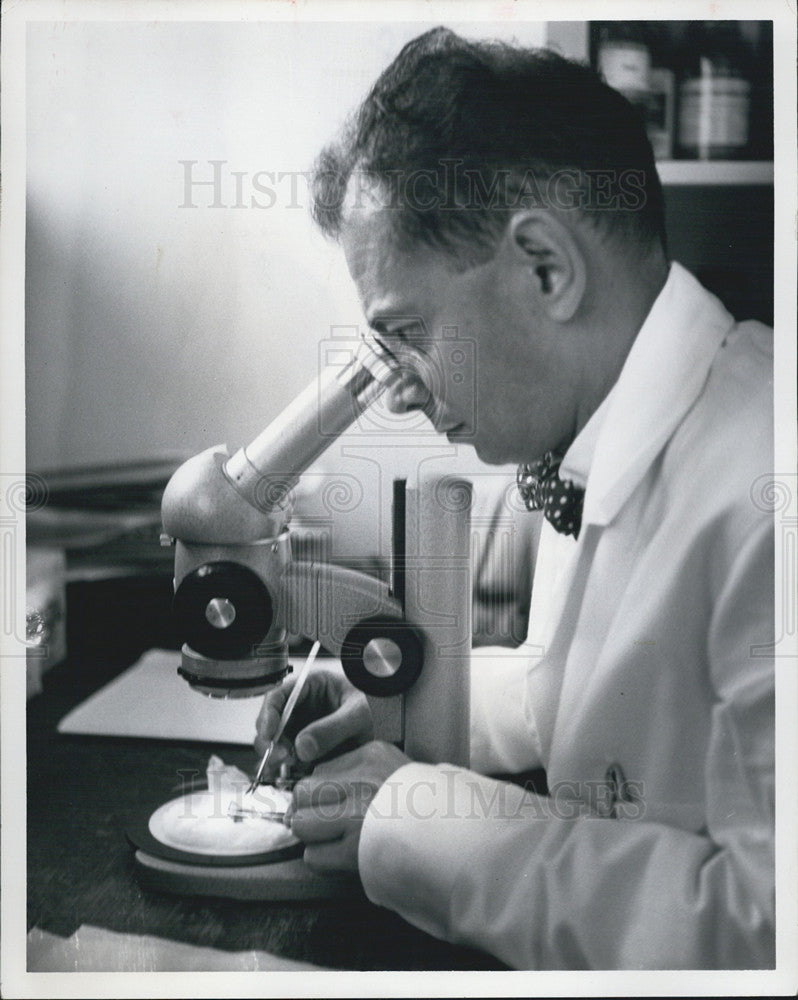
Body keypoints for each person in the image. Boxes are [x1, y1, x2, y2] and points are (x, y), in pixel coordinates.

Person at [254, 28, 775, 969]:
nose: (403, 388)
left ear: (547, 268)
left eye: (407, 332)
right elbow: (569, 694)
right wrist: (392, 707)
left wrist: (420, 820)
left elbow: (761, 929)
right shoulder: (609, 426)